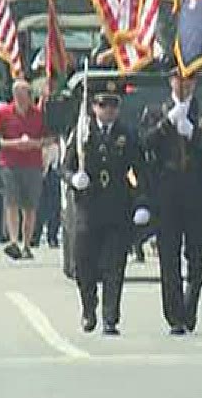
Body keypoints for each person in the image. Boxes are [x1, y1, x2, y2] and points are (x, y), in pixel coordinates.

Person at [141, 59, 202, 335]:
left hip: (198, 187)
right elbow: (144, 143)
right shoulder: (156, 112)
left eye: (188, 79)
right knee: (169, 255)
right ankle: (175, 315)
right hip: (167, 189)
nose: (183, 84)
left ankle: (190, 304)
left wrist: (195, 135)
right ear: (170, 82)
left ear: (195, 83)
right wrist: (167, 124)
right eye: (178, 79)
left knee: (198, 255)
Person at [63, 75, 150, 335]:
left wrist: (141, 202)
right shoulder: (81, 133)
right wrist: (73, 179)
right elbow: (65, 167)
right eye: (103, 105)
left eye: (113, 106)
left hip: (116, 209)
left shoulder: (128, 134)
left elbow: (139, 171)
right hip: (88, 210)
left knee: (115, 267)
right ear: (94, 107)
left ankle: (110, 317)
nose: (108, 111)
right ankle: (89, 309)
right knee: (84, 266)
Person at [0, 80, 48, 259]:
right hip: (9, 163)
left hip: (33, 164)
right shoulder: (3, 113)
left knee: (30, 206)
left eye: (24, 94)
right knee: (11, 203)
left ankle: (26, 244)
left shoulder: (39, 114)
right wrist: (14, 144)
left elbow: (48, 138)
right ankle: (13, 241)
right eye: (18, 94)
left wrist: (35, 143)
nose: (21, 98)